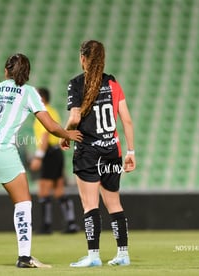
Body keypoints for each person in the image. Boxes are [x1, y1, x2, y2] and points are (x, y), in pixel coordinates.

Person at [0, 53, 83, 269]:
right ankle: (24, 257)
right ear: (27, 73)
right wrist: (67, 134)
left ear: (6, 70)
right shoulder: (29, 92)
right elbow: (49, 125)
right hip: (0, 148)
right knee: (23, 202)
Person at [61, 40, 136, 267]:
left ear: (83, 58)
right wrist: (131, 152)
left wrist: (65, 134)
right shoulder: (113, 83)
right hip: (112, 151)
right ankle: (123, 254)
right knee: (114, 203)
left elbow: (74, 118)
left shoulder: (76, 84)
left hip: (88, 152)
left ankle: (93, 255)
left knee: (90, 204)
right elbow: (127, 121)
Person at [30, 87, 79, 234]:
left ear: (42, 98)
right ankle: (71, 223)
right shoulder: (53, 111)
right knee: (59, 190)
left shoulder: (42, 113)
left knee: (43, 191)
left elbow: (45, 136)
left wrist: (38, 156)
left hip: (49, 153)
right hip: (57, 153)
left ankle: (46, 226)